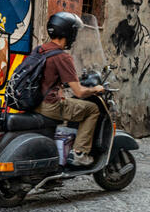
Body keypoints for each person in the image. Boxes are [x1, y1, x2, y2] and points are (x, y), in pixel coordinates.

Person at [34, 12, 104, 167]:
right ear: (68, 32)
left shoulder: (40, 50)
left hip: (35, 103)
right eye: (74, 32)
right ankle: (79, 152)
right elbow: (79, 92)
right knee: (92, 109)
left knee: (70, 103)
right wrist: (96, 89)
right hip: (50, 105)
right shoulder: (62, 57)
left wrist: (63, 84)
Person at [111, 0, 150, 81]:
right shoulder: (120, 28)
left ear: (138, 11)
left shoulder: (144, 35)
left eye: (132, 10)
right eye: (127, 9)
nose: (129, 14)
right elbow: (114, 53)